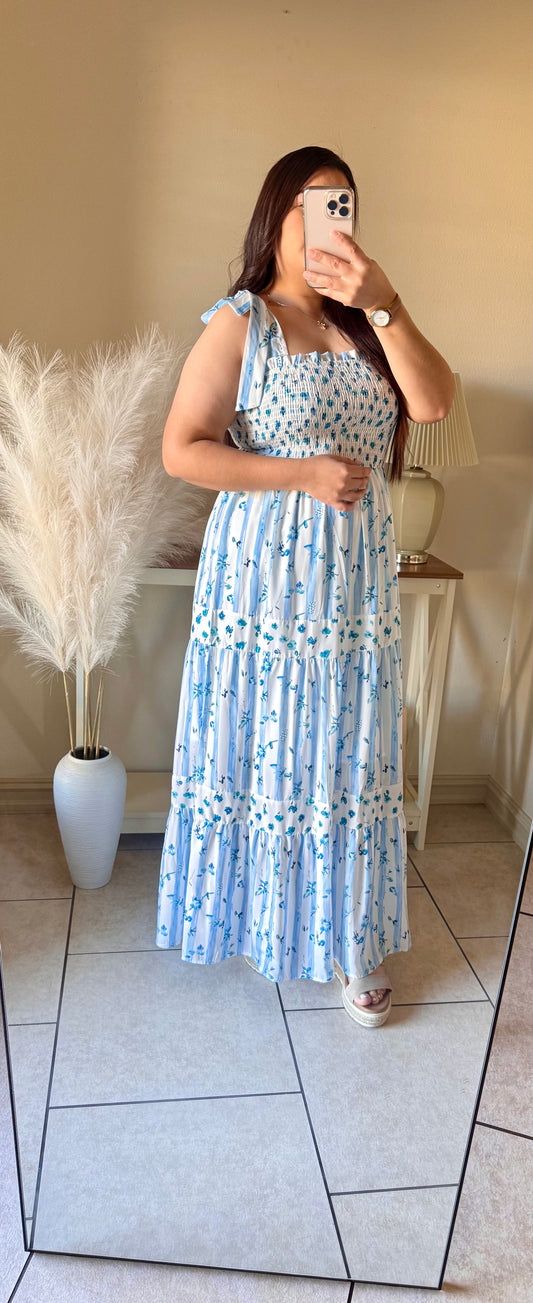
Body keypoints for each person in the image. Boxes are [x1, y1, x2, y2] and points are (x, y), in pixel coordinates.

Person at [155, 145, 455, 1026]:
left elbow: (433, 404)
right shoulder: (240, 322)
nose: (331, 219)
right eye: (314, 203)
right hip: (262, 579)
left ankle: (350, 939)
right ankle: (258, 917)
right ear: (276, 214)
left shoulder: (368, 323)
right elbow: (182, 449)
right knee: (266, 743)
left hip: (353, 584)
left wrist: (384, 301)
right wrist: (301, 474)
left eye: (344, 204)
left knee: (348, 748)